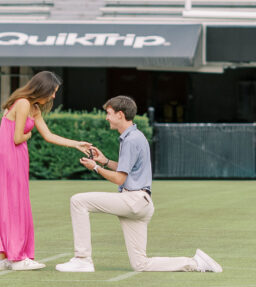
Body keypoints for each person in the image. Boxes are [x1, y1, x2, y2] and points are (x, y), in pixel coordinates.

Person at [56, 95, 223, 274]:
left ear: (120, 114)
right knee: (140, 264)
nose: (106, 117)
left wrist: (95, 167)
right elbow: (126, 171)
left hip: (133, 200)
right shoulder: (134, 136)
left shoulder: (131, 139)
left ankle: (82, 259)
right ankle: (195, 263)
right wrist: (104, 161)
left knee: (78, 201)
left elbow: (120, 179)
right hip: (141, 202)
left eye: (109, 113)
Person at [0, 70, 91, 271]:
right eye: (52, 91)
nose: (54, 96)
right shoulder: (23, 104)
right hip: (10, 158)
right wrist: (29, 136)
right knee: (14, 205)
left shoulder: (33, 108)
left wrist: (76, 144)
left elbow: (49, 135)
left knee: (13, 204)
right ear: (42, 88)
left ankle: (2, 258)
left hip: (14, 157)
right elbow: (18, 137)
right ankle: (17, 259)